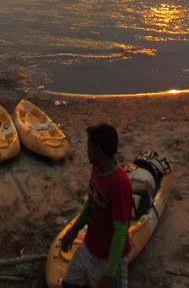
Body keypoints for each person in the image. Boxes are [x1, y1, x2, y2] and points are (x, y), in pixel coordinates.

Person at [61, 123, 132, 288]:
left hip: (109, 258)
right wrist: (74, 229)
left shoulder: (120, 183)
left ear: (98, 151)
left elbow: (121, 231)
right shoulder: (97, 168)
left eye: (88, 147)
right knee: (69, 283)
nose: (86, 150)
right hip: (89, 247)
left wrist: (109, 274)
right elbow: (92, 203)